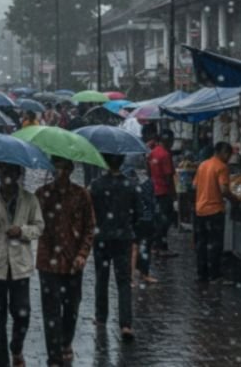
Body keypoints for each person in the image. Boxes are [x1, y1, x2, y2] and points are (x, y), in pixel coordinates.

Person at [0, 162, 44, 367]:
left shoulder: (29, 199)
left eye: (11, 170)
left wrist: (22, 231)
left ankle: (16, 346)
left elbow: (39, 227)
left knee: (22, 314)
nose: (7, 174)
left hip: (19, 266)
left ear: (18, 173)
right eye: (3, 170)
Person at [35, 156, 95, 365]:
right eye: (57, 167)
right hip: (48, 262)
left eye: (64, 167)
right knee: (51, 311)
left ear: (70, 169)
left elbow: (89, 227)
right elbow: (33, 224)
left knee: (71, 308)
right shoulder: (42, 194)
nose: (60, 172)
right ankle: (53, 356)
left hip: (72, 262)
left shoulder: (81, 195)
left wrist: (82, 254)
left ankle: (66, 341)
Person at [88, 152, 142, 341]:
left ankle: (101, 317)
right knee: (124, 281)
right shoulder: (131, 185)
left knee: (101, 278)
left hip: (102, 237)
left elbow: (90, 212)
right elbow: (139, 213)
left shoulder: (96, 185)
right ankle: (126, 324)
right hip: (123, 238)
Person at [193, 141, 241, 283]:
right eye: (229, 155)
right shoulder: (222, 167)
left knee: (201, 244)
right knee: (215, 244)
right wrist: (235, 200)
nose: (229, 158)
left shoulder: (203, 165)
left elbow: (194, 185)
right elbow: (224, 190)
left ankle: (202, 274)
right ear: (224, 153)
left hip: (200, 210)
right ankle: (215, 275)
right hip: (214, 210)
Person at [122, 158, 158, 285]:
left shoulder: (127, 180)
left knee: (134, 247)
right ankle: (142, 274)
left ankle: (132, 276)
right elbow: (151, 201)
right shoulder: (147, 182)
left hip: (134, 218)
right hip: (145, 218)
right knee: (142, 247)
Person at [148, 130, 177, 257]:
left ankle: (155, 246)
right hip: (164, 192)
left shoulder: (153, 152)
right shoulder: (165, 155)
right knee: (165, 221)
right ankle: (162, 247)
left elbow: (149, 170)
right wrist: (173, 194)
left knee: (157, 219)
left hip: (154, 190)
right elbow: (168, 177)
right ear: (169, 140)